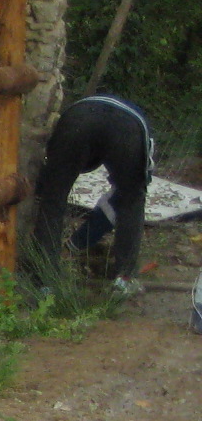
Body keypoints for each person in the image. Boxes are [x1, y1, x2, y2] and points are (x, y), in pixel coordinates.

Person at [29, 93, 154, 287]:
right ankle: (125, 280)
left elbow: (46, 189)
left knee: (52, 199)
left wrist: (76, 243)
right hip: (126, 128)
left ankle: (44, 281)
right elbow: (121, 202)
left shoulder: (74, 119)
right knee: (132, 200)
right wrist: (78, 243)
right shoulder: (138, 134)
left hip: (78, 119)